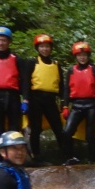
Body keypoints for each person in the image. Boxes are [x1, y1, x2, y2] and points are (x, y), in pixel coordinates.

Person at [25, 33, 71, 165]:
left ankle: (67, 155)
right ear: (38, 48)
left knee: (58, 127)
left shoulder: (56, 64)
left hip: (50, 100)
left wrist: (63, 102)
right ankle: (36, 156)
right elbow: (26, 83)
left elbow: (61, 85)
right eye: (42, 47)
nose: (45, 49)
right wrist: (26, 100)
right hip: (35, 99)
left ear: (50, 48)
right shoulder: (32, 62)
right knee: (36, 129)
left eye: (47, 47)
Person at [62, 41, 95, 165]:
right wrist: (65, 106)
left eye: (84, 55)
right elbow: (67, 89)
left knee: (90, 135)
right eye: (79, 55)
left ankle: (91, 159)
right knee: (67, 132)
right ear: (76, 56)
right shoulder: (71, 70)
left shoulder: (94, 69)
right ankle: (70, 157)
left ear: (88, 56)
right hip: (76, 105)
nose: (82, 57)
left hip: (91, 105)